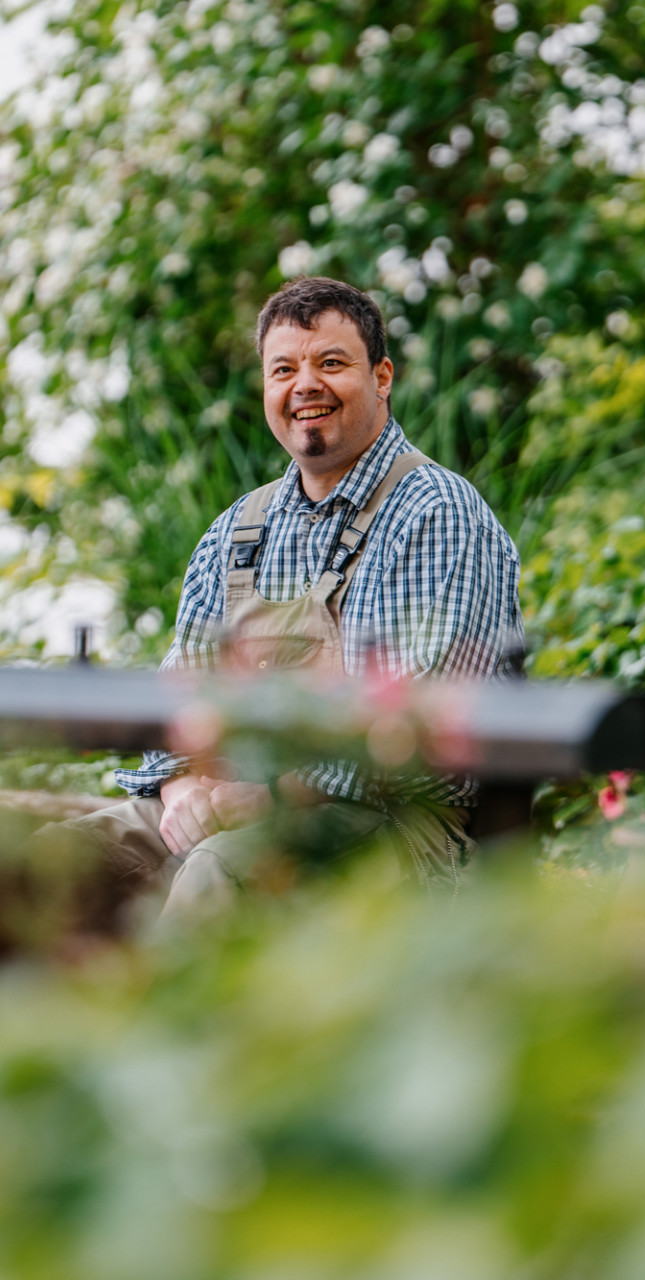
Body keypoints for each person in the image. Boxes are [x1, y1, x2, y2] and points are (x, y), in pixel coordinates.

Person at [28, 277, 523, 934]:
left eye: (331, 363)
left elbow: (411, 736)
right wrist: (183, 793)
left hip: (394, 828)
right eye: (284, 369)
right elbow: (176, 706)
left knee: (219, 872)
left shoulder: (435, 514)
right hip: (226, 804)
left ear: (382, 377)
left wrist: (258, 797)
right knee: (45, 866)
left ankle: (179, 1036)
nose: (305, 385)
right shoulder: (237, 530)